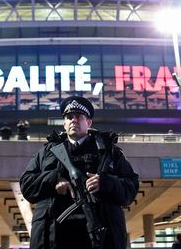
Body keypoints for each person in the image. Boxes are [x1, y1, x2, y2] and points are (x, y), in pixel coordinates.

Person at [20, 96, 139, 249]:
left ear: (88, 123)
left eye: (78, 117)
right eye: (69, 117)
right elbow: (27, 185)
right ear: (64, 124)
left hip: (99, 236)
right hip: (54, 236)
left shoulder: (109, 152)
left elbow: (131, 187)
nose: (73, 120)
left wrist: (106, 182)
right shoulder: (46, 153)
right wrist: (53, 179)